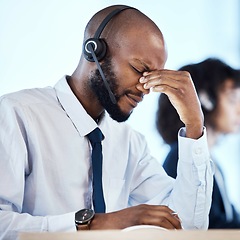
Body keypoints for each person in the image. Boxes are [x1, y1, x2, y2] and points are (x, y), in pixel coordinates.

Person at [0, 5, 214, 239]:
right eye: (139, 69)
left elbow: (187, 225)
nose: (146, 87)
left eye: (154, 77)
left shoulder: (130, 143)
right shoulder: (16, 115)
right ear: (94, 51)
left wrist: (194, 126)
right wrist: (100, 224)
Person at [157, 58, 240, 229]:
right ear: (205, 101)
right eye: (232, 100)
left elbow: (233, 222)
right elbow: (213, 227)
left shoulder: (213, 164)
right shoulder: (181, 159)